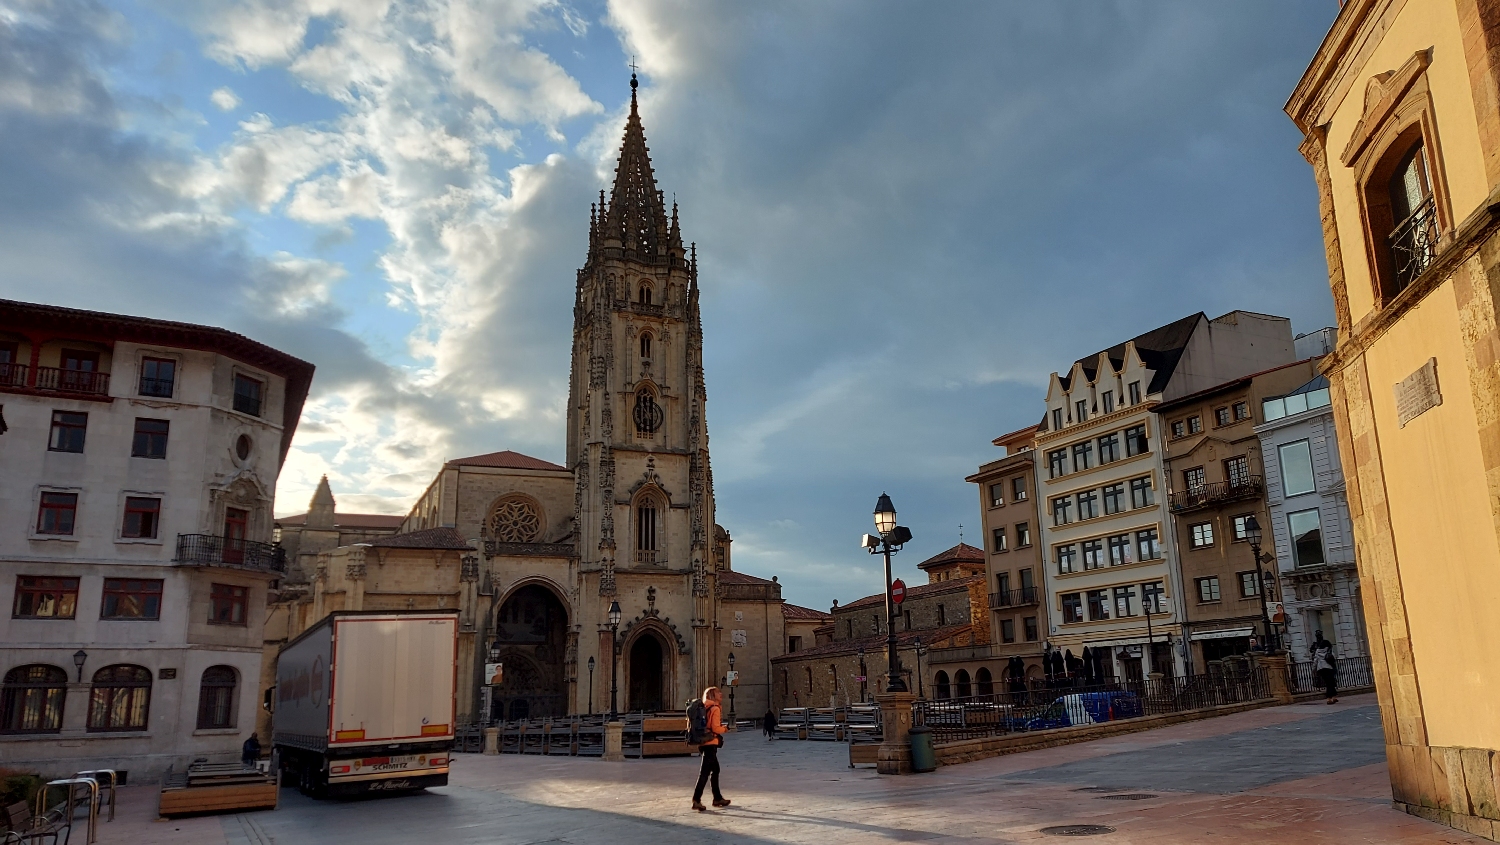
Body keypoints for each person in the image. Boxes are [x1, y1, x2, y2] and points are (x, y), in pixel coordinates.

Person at [691, 687, 730, 812]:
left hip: (703, 742)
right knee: (705, 773)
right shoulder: (715, 708)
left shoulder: (705, 707)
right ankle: (697, 799)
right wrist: (725, 729)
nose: (721, 694)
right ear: (713, 695)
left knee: (715, 769)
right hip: (710, 742)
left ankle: (717, 797)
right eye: (718, 692)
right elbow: (715, 728)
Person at [1312, 632, 1339, 704]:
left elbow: (1315, 660)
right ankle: (1329, 698)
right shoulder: (1329, 649)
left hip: (1321, 668)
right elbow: (1333, 657)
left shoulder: (1318, 651)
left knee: (1328, 683)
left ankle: (1333, 697)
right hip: (1329, 667)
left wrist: (1314, 669)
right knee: (1330, 683)